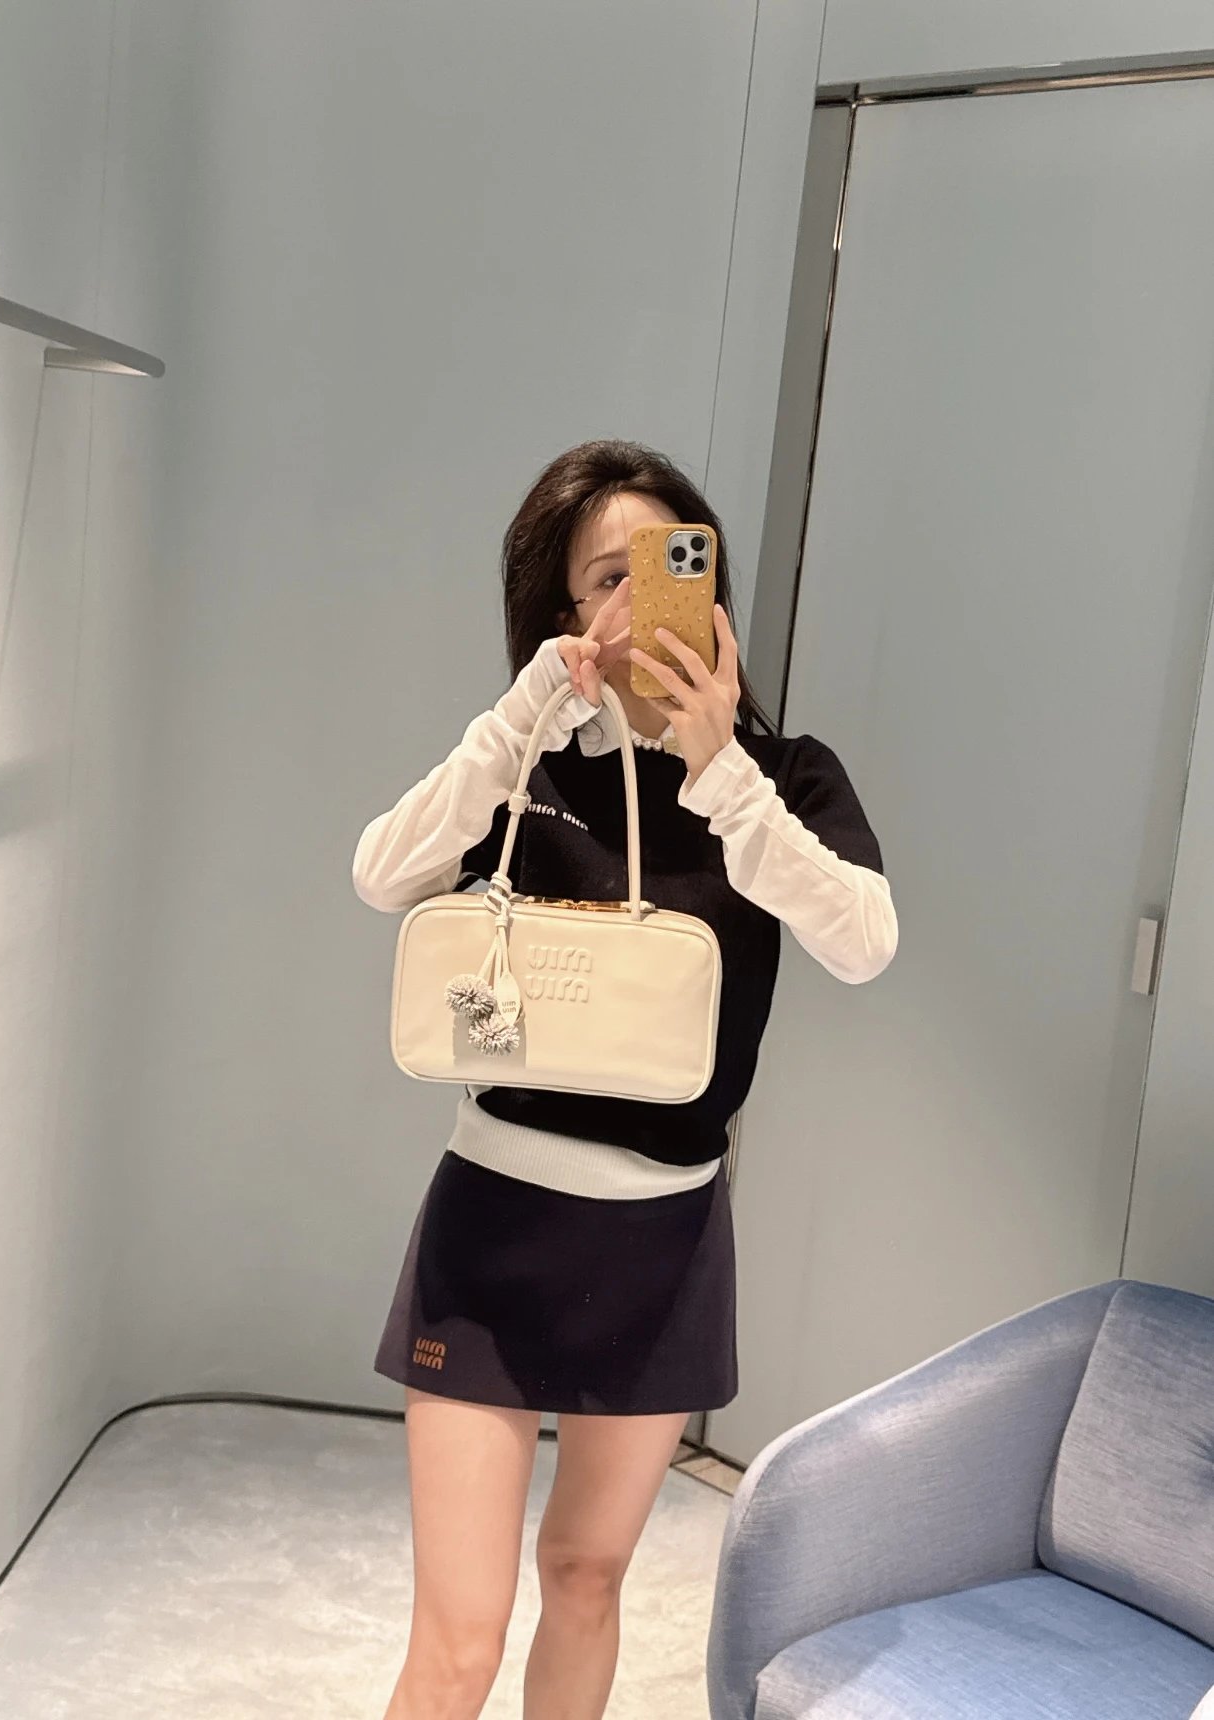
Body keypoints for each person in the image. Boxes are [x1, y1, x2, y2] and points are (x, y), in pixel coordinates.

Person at [352, 438, 898, 1720]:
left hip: (665, 1237)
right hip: (494, 1225)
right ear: (563, 612)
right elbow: (383, 873)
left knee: (586, 1576)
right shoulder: (528, 761)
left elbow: (864, 941)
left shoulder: (783, 777)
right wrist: (526, 713)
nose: (637, 601)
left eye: (665, 566)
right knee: (459, 1636)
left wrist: (725, 777)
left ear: (707, 586)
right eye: (605, 578)